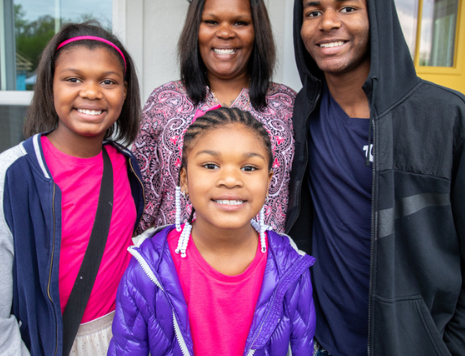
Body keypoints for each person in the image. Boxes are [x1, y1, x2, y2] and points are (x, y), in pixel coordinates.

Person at [286, 0, 465, 356]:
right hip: (320, 344)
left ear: (378, 16)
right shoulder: (303, 112)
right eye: (313, 12)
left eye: (348, 8)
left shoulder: (447, 117)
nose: (328, 23)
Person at [0, 22, 145, 356]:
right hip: (50, 344)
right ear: (49, 87)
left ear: (124, 92)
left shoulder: (129, 168)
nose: (91, 92)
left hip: (124, 338)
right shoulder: (14, 174)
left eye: (108, 81)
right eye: (73, 79)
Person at [108, 107, 315, 356]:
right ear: (184, 178)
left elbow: (300, 347)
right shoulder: (147, 266)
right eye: (210, 165)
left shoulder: (291, 266)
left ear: (269, 179)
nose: (230, 180)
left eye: (249, 168)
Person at [135, 0, 296, 233]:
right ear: (195, 30)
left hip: (264, 265)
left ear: (257, 32)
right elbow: (142, 195)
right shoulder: (164, 101)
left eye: (240, 22)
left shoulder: (287, 105)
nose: (224, 32)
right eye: (211, 22)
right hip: (174, 264)